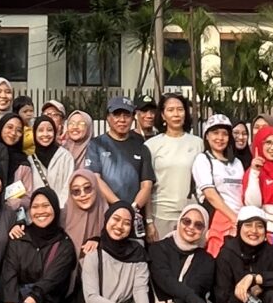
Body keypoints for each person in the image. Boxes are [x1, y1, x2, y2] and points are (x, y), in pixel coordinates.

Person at [148, 201, 216, 303]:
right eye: (187, 221)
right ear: (179, 222)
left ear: (204, 230)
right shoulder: (158, 249)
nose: (191, 227)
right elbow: (164, 280)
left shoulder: (206, 260)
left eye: (198, 225)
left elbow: (195, 287)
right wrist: (191, 302)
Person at [143, 93, 204, 238]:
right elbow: (146, 186)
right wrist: (149, 221)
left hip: (191, 215)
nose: (176, 114)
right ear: (163, 115)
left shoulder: (198, 143)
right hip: (161, 216)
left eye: (180, 109)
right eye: (170, 110)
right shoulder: (151, 145)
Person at [87, 97, 155, 221]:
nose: (122, 120)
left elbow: (146, 185)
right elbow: (96, 179)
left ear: (133, 118)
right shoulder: (96, 144)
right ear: (108, 117)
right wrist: (119, 207)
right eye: (117, 115)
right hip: (104, 214)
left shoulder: (142, 146)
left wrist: (133, 209)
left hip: (134, 215)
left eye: (127, 115)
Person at [191, 113, 247, 251]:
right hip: (218, 219)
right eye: (215, 133)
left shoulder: (237, 162)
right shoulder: (203, 160)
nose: (220, 138)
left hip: (239, 220)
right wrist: (233, 218)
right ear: (207, 136)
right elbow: (210, 194)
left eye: (224, 134)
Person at [47, 110, 92, 206]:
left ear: (88, 126)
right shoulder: (60, 150)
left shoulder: (95, 151)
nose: (75, 127)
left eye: (81, 123)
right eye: (71, 123)